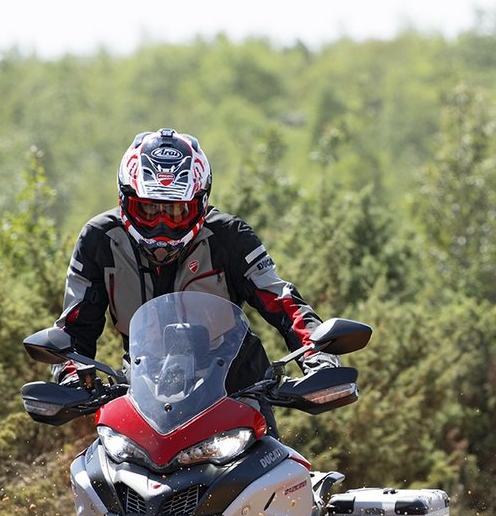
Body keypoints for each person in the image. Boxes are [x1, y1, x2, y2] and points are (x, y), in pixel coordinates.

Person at [47, 128, 336, 434]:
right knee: (98, 475)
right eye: (147, 208)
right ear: (125, 199)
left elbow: (282, 301)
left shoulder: (231, 236)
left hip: (237, 391)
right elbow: (74, 326)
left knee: (275, 475)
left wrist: (317, 356)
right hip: (144, 397)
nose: (161, 222)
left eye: (175, 210)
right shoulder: (99, 238)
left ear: (200, 201)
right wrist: (72, 375)